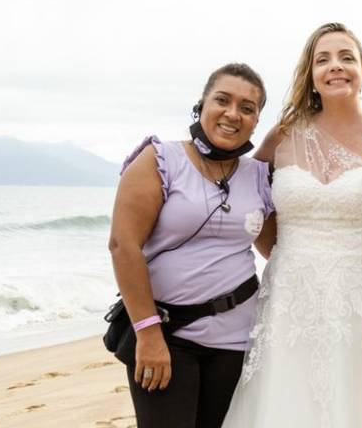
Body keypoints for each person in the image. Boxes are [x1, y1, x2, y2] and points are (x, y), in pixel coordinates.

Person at [221, 23, 362, 428]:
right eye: (322, 59)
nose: (335, 67)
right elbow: (247, 202)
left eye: (346, 57)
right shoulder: (284, 137)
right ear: (310, 74)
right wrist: (293, 260)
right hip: (293, 298)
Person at [108, 63, 275, 428]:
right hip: (167, 336)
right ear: (201, 105)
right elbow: (123, 246)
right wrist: (148, 333)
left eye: (247, 108)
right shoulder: (159, 159)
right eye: (223, 100)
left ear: (256, 121)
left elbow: (276, 249)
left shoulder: (260, 177)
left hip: (237, 340)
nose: (233, 114)